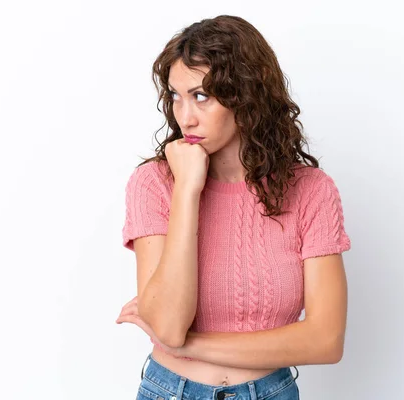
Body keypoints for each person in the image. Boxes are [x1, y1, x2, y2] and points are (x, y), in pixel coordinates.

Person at [115, 15, 352, 400]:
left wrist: (190, 347)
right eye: (176, 96)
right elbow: (169, 325)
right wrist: (188, 190)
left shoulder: (311, 191)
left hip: (271, 392)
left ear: (246, 95)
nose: (185, 116)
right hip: (170, 392)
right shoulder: (156, 184)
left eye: (202, 96)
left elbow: (326, 341)